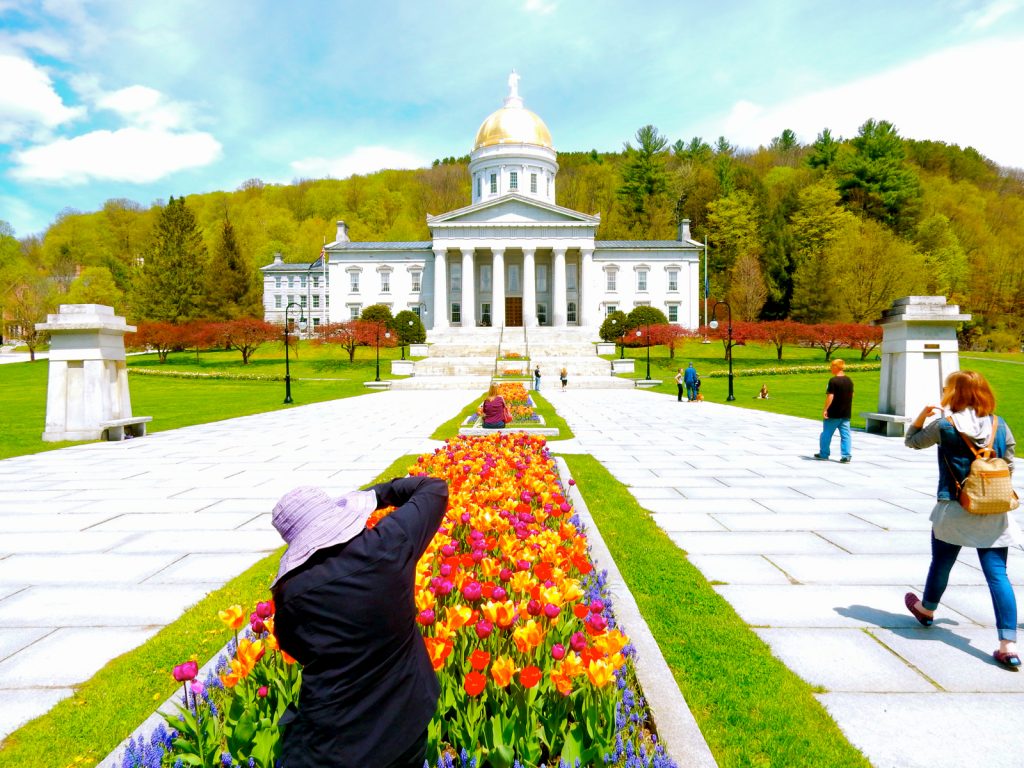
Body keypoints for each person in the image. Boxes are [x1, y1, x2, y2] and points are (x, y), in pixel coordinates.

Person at [271, 475, 449, 767]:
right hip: (406, 720)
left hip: (337, 741)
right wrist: (376, 496)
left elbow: (294, 647)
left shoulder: (292, 592)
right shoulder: (388, 543)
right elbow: (434, 488)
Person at [902, 370, 1019, 669]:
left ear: (953, 393)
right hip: (993, 509)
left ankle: (927, 610)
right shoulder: (999, 424)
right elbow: (1008, 465)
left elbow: (912, 442)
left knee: (942, 562)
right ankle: (1008, 644)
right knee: (998, 574)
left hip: (954, 506)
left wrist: (919, 417)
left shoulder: (945, 425)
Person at [814, 359, 853, 462]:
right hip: (846, 413)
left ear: (837, 367)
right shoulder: (849, 380)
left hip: (833, 413)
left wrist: (825, 409)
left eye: (832, 366)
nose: (830, 368)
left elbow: (830, 396)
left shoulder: (833, 381)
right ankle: (846, 456)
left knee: (826, 434)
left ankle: (824, 454)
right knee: (846, 436)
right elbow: (852, 395)